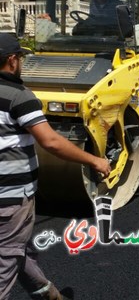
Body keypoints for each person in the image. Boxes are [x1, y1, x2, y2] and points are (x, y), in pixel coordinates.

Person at [0, 34, 111, 300]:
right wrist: (95, 160)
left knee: (18, 250)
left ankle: (51, 295)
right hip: (11, 197)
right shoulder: (19, 95)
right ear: (13, 61)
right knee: (6, 261)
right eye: (21, 58)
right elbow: (50, 142)